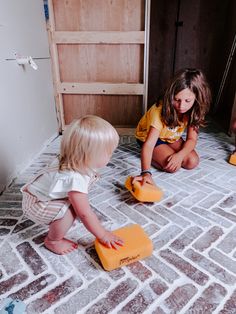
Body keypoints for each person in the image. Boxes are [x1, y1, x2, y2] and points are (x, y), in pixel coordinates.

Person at [21, 115, 124, 254]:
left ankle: (57, 222)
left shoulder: (75, 160)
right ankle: (53, 240)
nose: (111, 155)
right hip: (36, 205)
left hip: (37, 196)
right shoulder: (75, 178)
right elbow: (85, 214)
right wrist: (103, 234)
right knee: (71, 210)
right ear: (89, 156)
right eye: (109, 152)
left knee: (75, 204)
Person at [134, 68, 212, 184]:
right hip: (148, 137)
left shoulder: (196, 110)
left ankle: (161, 153)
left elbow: (192, 139)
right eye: (177, 100)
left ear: (197, 98)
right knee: (172, 167)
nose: (181, 106)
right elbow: (149, 144)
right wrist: (146, 173)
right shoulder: (159, 111)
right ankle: (150, 156)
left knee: (192, 161)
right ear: (171, 96)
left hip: (170, 136)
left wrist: (180, 155)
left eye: (187, 100)